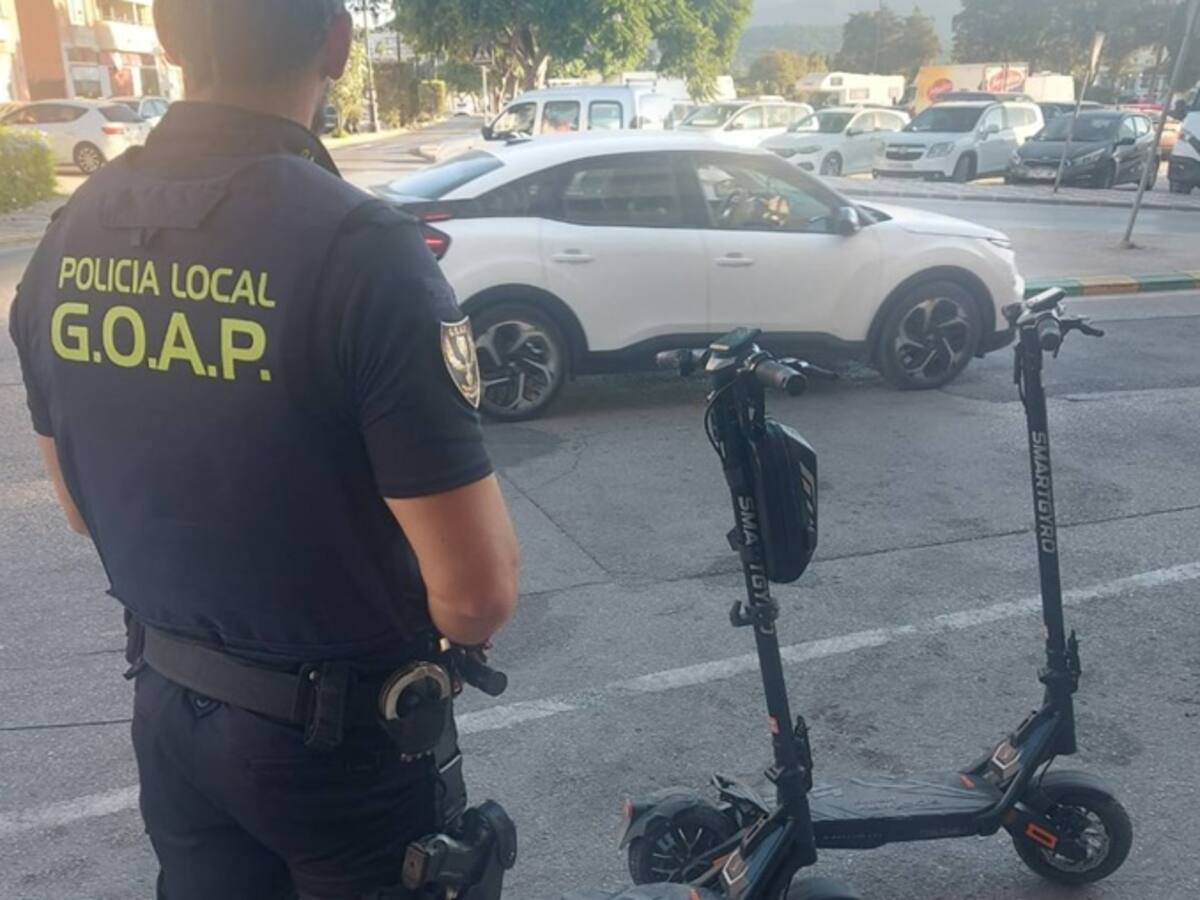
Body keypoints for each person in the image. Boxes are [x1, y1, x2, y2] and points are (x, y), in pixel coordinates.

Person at [7, 1, 520, 897]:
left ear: (168, 40)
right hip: (342, 751)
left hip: (171, 715)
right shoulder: (363, 251)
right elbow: (475, 598)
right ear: (338, 42)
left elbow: (83, 511)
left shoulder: (68, 235)